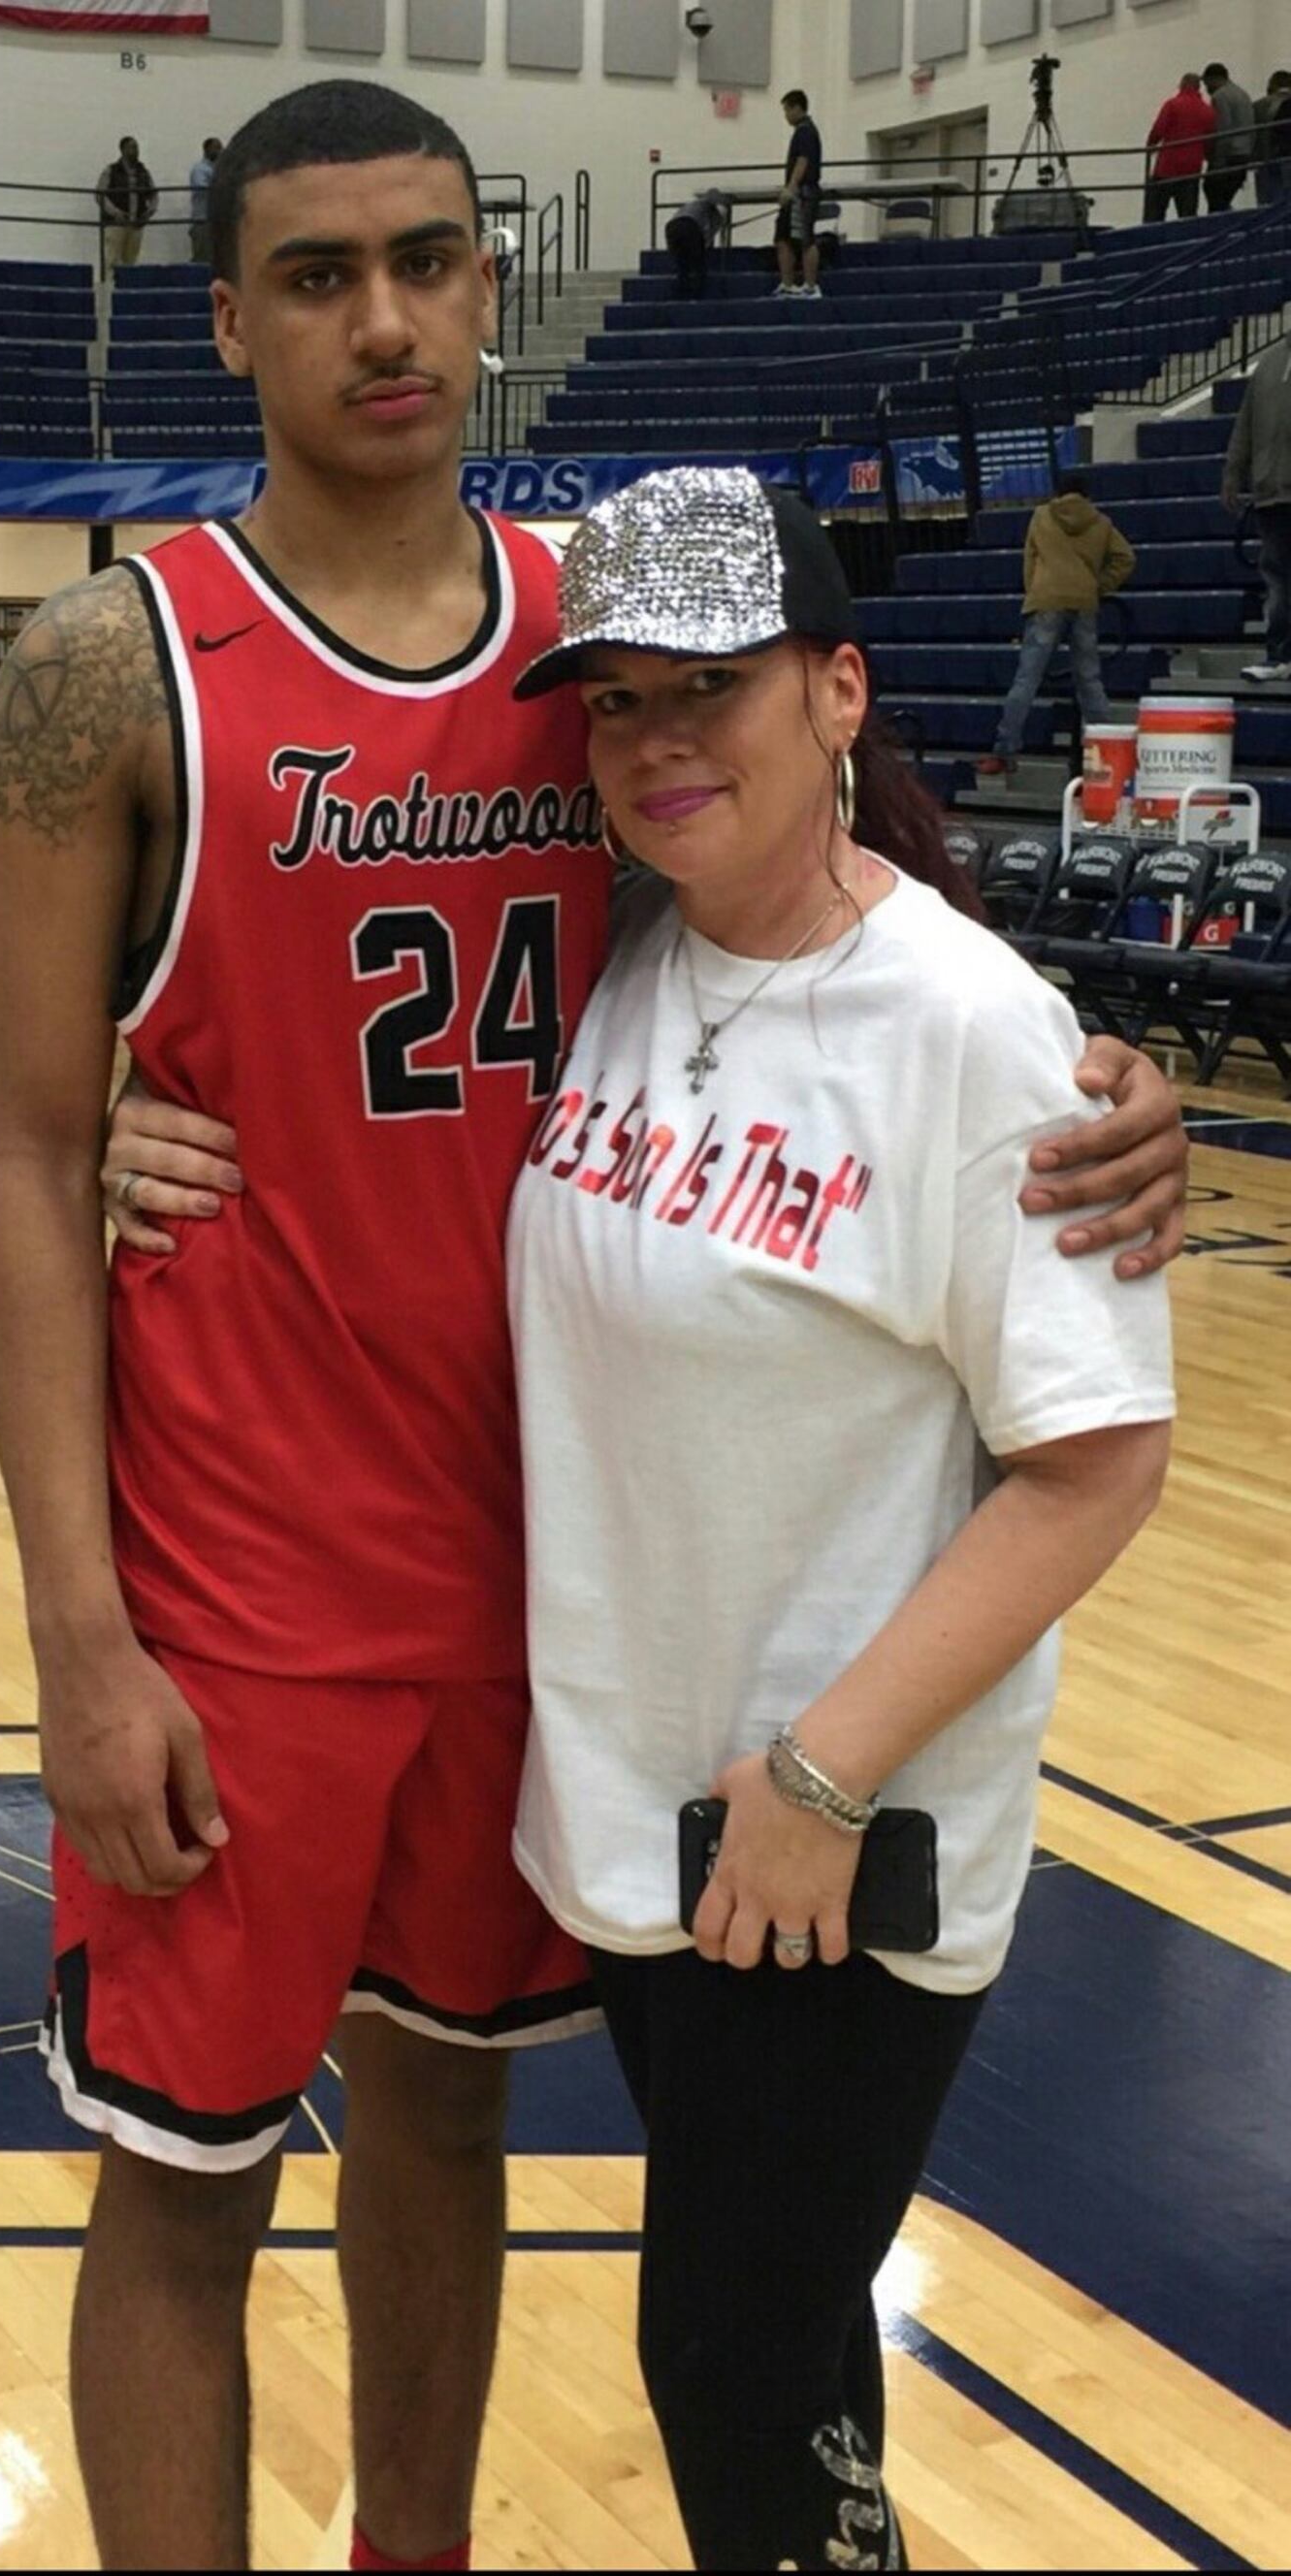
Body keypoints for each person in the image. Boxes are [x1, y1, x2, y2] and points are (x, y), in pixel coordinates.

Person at [0, 76, 1188, 2576]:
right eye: (314, 275)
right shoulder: (110, 676)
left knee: (447, 2122)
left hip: (553, 1610)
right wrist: (76, 1640)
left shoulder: (600, 637)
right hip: (243, 1593)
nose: (382, 317)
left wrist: (1100, 1065)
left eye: (424, 258)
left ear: (491, 283)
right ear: (226, 320)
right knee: (183, 2188)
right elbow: (9, 1141)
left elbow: (836, 900)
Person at [501, 469, 1174, 2572]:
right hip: (650, 1815)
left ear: (839, 689)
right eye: (614, 701)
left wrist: (815, 1773)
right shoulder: (622, 954)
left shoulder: (971, 1031)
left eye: (712, 686)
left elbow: (1093, 1461)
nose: (657, 739)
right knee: (778, 2357)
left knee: (727, 2348)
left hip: (823, 1850)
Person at [976, 475, 1136, 780]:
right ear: (1086, 493)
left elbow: (1029, 562)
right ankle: (1109, 750)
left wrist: (1034, 593)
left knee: (1027, 679)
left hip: (1046, 600)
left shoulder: (1041, 515)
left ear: (1058, 491)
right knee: (1089, 680)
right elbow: (1126, 558)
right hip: (1084, 602)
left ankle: (1005, 751)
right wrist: (1098, 586)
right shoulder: (1100, 522)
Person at [1223, 325, 1291, 684]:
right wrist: (1233, 473)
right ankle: (1278, 655)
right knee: (1277, 578)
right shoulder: (1267, 365)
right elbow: (1244, 425)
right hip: (1271, 494)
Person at [1145, 73, 1215, 223]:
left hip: (1167, 166)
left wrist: (1150, 146)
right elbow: (1210, 139)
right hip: (1192, 168)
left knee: (1155, 212)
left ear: (1182, 85)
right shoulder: (1207, 110)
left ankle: (1151, 241)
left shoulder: (1172, 105)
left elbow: (1158, 130)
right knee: (1187, 215)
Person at [775, 88, 823, 298]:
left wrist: (791, 187)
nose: (785, 116)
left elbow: (803, 160)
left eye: (787, 110)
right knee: (782, 237)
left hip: (802, 194)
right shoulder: (803, 131)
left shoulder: (805, 131)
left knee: (805, 238)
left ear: (797, 108)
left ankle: (811, 286)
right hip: (798, 193)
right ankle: (787, 284)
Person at [97, 136, 159, 272]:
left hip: (136, 223)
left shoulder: (143, 171)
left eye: (137, 147)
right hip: (116, 224)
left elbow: (154, 193)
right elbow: (100, 195)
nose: (136, 150)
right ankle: (108, 290)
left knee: (131, 263)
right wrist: (115, 212)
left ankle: (126, 291)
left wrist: (149, 212)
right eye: (132, 147)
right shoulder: (111, 170)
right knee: (111, 260)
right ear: (123, 150)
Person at [1202, 62, 1256, 211]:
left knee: (1212, 192)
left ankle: (1218, 229)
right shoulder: (1243, 94)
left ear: (1214, 79)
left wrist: (1218, 159)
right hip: (1244, 152)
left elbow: (1223, 128)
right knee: (1224, 196)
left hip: (1228, 155)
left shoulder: (1220, 96)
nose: (1206, 89)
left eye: (1207, 84)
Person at [665, 185, 730, 302]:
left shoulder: (691, 205)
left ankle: (680, 296)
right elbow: (709, 235)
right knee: (699, 267)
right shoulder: (713, 211)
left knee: (682, 266)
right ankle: (697, 297)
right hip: (690, 226)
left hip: (671, 227)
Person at [1252, 70, 1291, 208]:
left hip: (1265, 159)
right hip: (1285, 156)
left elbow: (1254, 135)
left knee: (1267, 203)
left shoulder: (1258, 105)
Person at [189, 136, 223, 265]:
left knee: (216, 258)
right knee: (202, 258)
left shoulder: (219, 169)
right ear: (207, 150)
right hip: (202, 220)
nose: (221, 151)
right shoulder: (200, 169)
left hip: (215, 219)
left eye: (221, 147)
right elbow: (203, 188)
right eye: (217, 148)